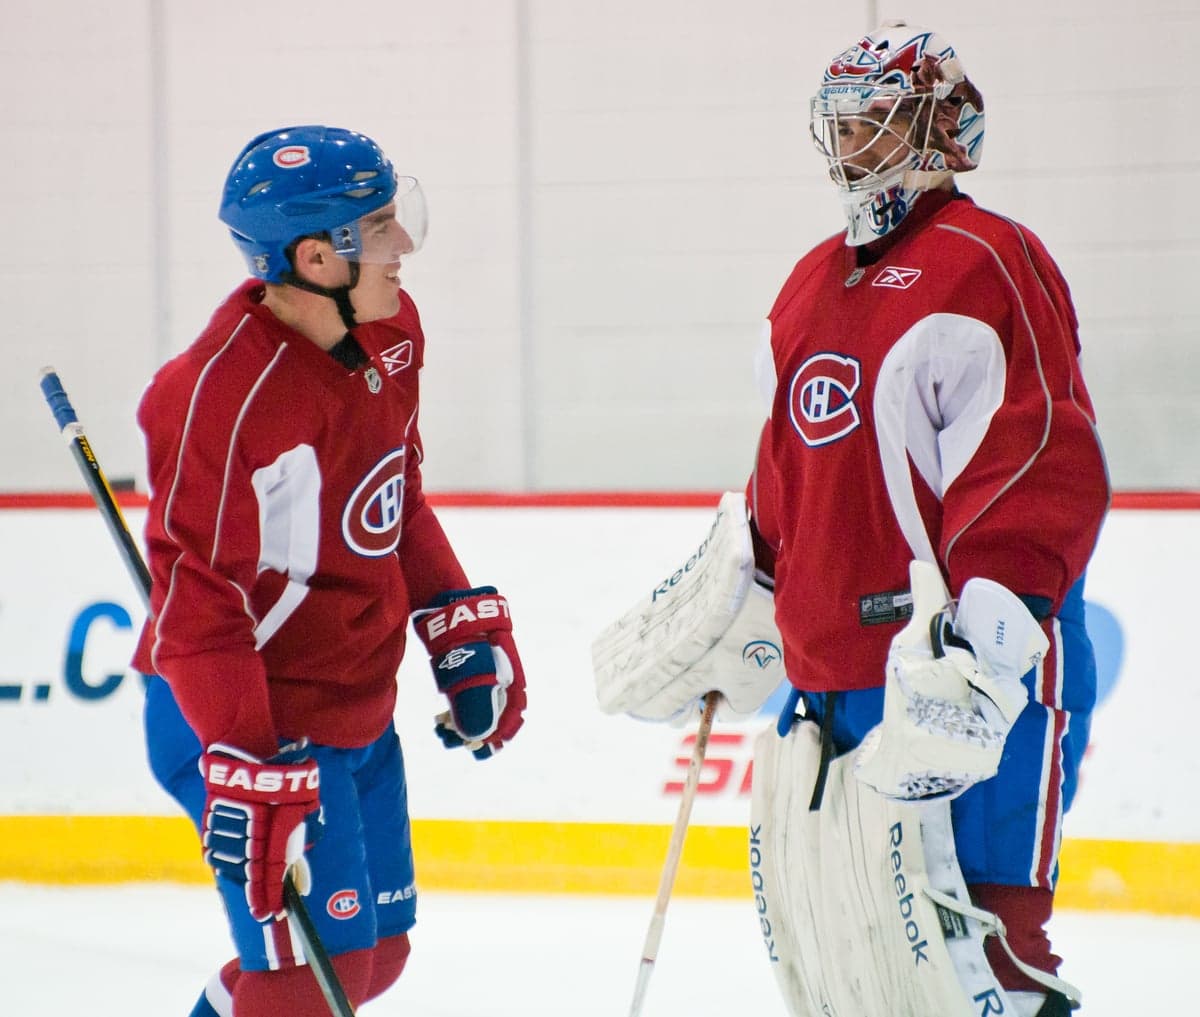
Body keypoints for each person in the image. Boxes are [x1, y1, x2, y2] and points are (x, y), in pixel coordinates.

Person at [596, 21, 1107, 1017]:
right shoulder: (806, 283)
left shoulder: (991, 258)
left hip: (960, 674)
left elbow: (1038, 446)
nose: (853, 146)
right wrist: (748, 595)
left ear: (943, 129)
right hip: (830, 688)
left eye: (878, 122)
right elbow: (788, 467)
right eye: (843, 126)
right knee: (855, 974)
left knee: (988, 960)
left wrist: (994, 631)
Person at [131, 125, 527, 1017]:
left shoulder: (390, 330)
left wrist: (453, 619)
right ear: (316, 257)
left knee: (378, 957)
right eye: (382, 226)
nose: (406, 247)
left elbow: (399, 494)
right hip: (244, 713)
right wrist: (244, 759)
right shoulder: (213, 396)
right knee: (316, 978)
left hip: (352, 696)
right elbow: (199, 615)